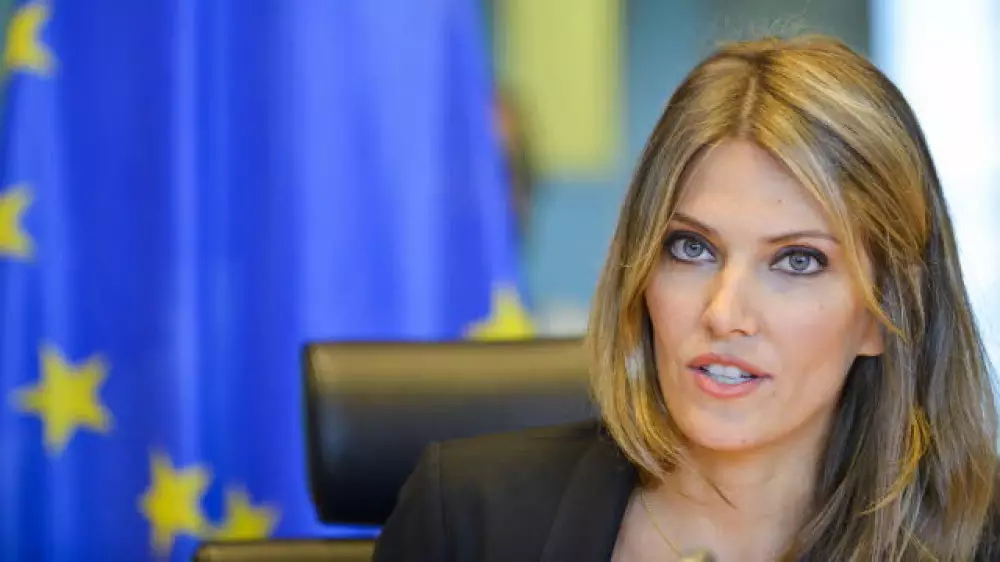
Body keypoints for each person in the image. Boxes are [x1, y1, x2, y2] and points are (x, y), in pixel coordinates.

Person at [371, 35, 1000, 561]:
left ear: (885, 314)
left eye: (798, 261)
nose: (724, 313)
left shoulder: (981, 538)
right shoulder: (465, 521)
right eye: (692, 248)